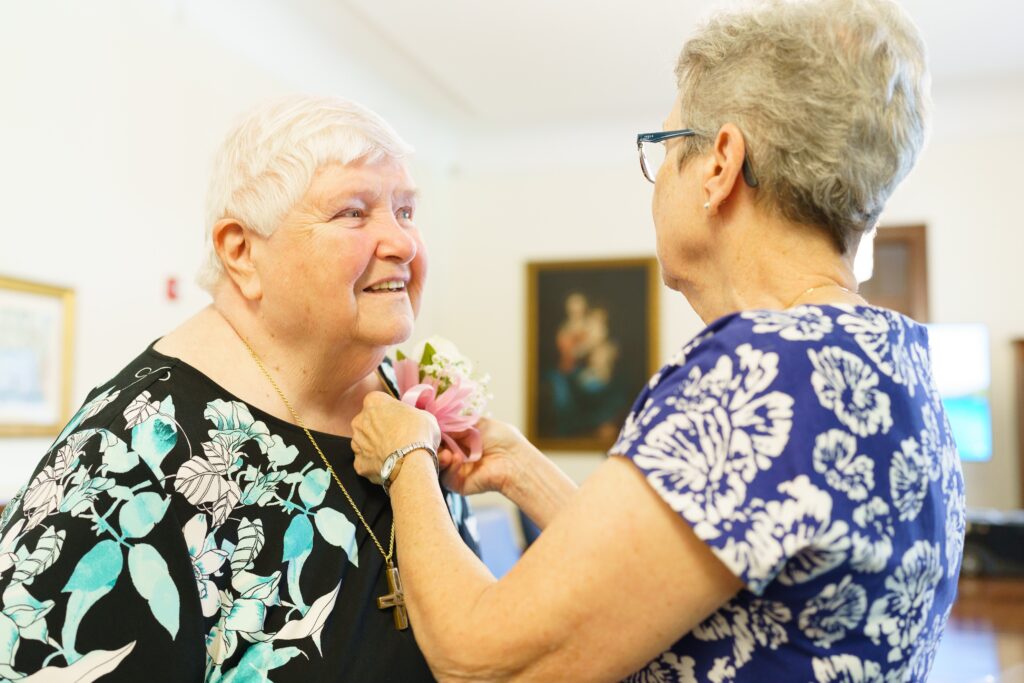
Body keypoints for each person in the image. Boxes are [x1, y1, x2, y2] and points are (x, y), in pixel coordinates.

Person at [349, 0, 964, 681]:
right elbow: (678, 574)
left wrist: (405, 456)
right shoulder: (887, 362)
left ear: (720, 163)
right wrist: (522, 469)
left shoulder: (761, 372)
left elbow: (483, 658)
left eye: (666, 149)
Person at [0, 95, 478, 680]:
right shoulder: (130, 454)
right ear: (241, 251)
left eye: (405, 211)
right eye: (353, 212)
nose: (402, 243)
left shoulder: (408, 407)